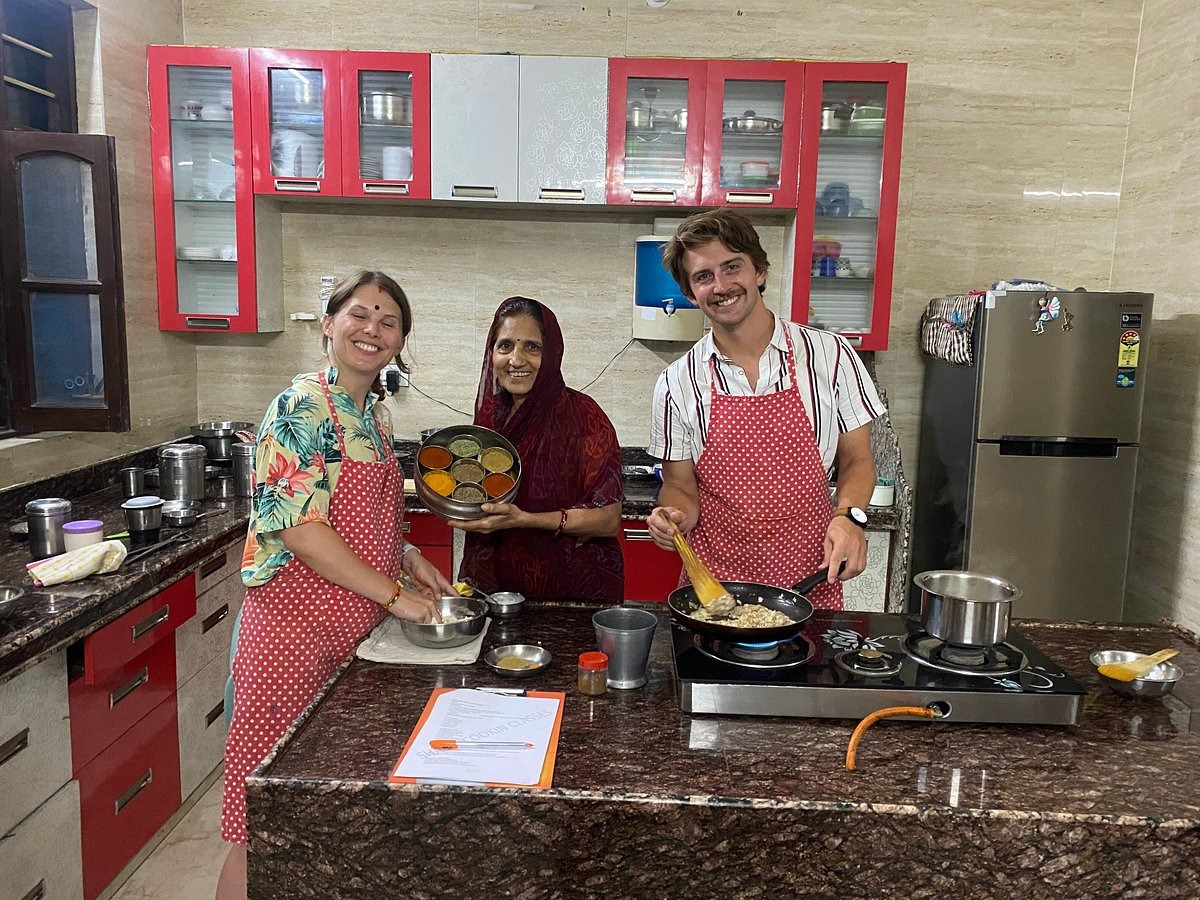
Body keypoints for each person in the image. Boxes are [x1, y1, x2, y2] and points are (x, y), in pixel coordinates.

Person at [216, 270, 454, 899]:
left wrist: (407, 556)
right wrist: (398, 598)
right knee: (262, 825)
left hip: (352, 643)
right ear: (328, 323)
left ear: (399, 341)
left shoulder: (374, 416)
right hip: (291, 644)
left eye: (389, 322)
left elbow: (358, 519)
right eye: (359, 314)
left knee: (327, 820)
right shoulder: (301, 406)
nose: (372, 330)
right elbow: (301, 530)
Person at [645, 209, 885, 610]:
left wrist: (849, 517)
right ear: (690, 294)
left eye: (732, 267)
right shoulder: (676, 382)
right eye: (703, 276)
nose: (721, 286)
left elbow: (858, 460)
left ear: (759, 270)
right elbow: (680, 486)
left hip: (811, 584)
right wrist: (674, 517)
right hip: (719, 593)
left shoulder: (831, 356)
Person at [450, 296, 624, 602]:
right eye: (505, 346)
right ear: (492, 353)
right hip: (498, 590)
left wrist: (525, 519)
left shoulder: (583, 417)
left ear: (552, 353)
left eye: (532, 347)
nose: (516, 360)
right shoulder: (491, 416)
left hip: (571, 592)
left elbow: (608, 519)